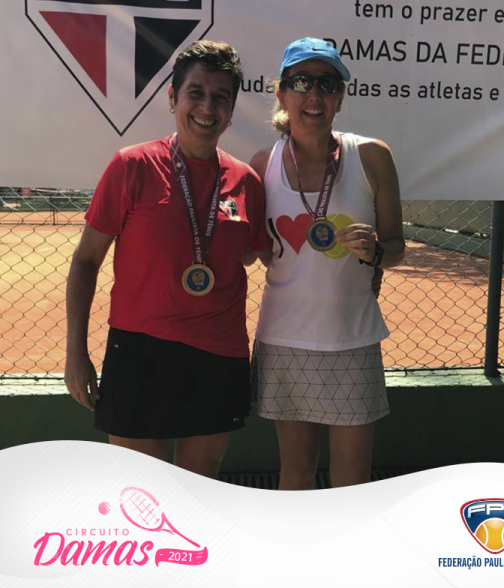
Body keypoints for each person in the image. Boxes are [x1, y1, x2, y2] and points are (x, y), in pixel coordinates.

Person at [65, 41, 269, 477]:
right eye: (196, 92)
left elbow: (253, 253)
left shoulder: (247, 182)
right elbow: (85, 261)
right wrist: (75, 352)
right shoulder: (132, 165)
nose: (207, 107)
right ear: (173, 97)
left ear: (232, 110)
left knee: (199, 485)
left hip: (219, 354)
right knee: (141, 490)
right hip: (140, 350)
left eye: (220, 97)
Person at [250, 38, 406, 489]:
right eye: (301, 82)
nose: (314, 95)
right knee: (295, 473)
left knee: (351, 482)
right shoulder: (262, 165)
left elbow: (397, 246)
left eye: (328, 84)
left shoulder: (373, 156)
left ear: (340, 97)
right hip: (284, 340)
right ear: (282, 94)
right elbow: (259, 251)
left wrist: (376, 252)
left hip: (352, 340)